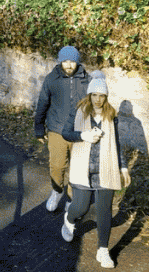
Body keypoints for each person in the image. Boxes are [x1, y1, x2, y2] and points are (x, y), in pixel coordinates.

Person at [60, 71, 131, 269]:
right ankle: (70, 219)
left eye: (102, 96)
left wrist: (123, 167)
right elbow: (66, 133)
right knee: (81, 207)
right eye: (94, 95)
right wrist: (83, 135)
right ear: (89, 95)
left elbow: (117, 143)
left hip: (105, 169)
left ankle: (103, 250)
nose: (98, 100)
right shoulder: (79, 111)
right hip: (82, 168)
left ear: (106, 97)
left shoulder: (111, 115)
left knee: (104, 211)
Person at [34, 45, 91, 211]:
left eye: (72, 61)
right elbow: (42, 104)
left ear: (77, 62)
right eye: (65, 61)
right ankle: (57, 191)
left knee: (76, 169)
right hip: (57, 130)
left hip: (79, 132)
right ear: (60, 62)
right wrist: (39, 128)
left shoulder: (87, 80)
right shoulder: (52, 79)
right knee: (57, 166)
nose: (69, 64)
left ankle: (70, 198)